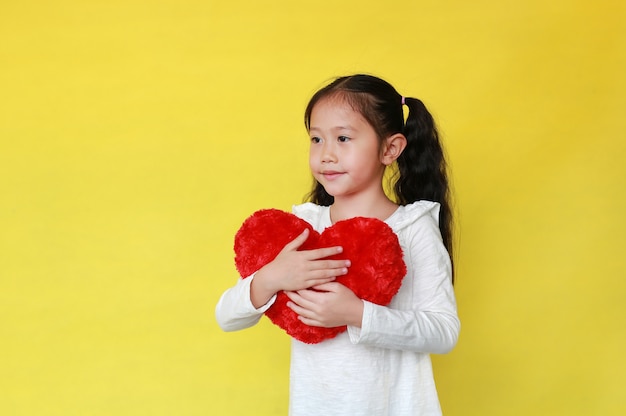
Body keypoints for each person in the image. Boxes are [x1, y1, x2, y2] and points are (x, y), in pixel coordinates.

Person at [215, 74, 460, 415]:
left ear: (390, 149)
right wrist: (272, 277)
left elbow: (443, 331)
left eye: (343, 138)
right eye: (316, 139)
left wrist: (356, 314)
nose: (326, 154)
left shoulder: (412, 229)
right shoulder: (303, 230)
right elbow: (227, 317)